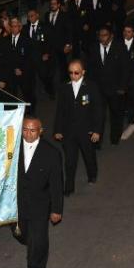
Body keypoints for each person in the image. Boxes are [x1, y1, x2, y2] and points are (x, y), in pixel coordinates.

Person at [15, 116, 63, 268]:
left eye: (32, 130)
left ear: (40, 132)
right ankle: (31, 243)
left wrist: (56, 209)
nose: (28, 134)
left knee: (39, 240)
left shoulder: (51, 153)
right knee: (21, 234)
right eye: (25, 129)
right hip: (17, 203)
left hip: (40, 204)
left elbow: (56, 184)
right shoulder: (12, 149)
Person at [53, 59, 103, 195]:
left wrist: (97, 131)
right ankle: (69, 186)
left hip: (86, 131)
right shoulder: (64, 87)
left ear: (83, 72)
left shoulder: (91, 87)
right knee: (69, 160)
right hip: (69, 132)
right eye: (70, 73)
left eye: (76, 73)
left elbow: (98, 110)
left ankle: (92, 175)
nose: (73, 75)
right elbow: (60, 110)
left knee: (89, 156)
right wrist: (58, 130)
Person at [86, 26, 129, 145]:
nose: (102, 38)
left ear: (111, 36)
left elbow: (125, 68)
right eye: (100, 35)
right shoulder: (93, 48)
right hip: (98, 89)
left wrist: (122, 87)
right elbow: (90, 68)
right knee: (98, 115)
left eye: (105, 35)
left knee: (116, 114)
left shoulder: (120, 47)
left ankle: (115, 138)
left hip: (115, 89)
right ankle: (97, 141)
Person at [7, 16, 37, 114]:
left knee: (27, 92)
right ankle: (14, 112)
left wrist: (21, 69)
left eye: (16, 26)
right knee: (12, 93)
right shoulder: (6, 40)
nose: (14, 28)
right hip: (12, 72)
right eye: (12, 26)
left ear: (20, 27)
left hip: (24, 72)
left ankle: (31, 110)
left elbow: (29, 58)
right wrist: (13, 68)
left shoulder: (26, 40)